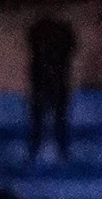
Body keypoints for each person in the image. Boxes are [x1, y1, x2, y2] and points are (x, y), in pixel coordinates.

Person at [26, 13, 78, 161]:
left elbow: (71, 49)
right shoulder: (40, 30)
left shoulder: (57, 30)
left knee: (55, 118)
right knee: (43, 119)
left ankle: (58, 151)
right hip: (45, 81)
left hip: (53, 80)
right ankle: (40, 151)